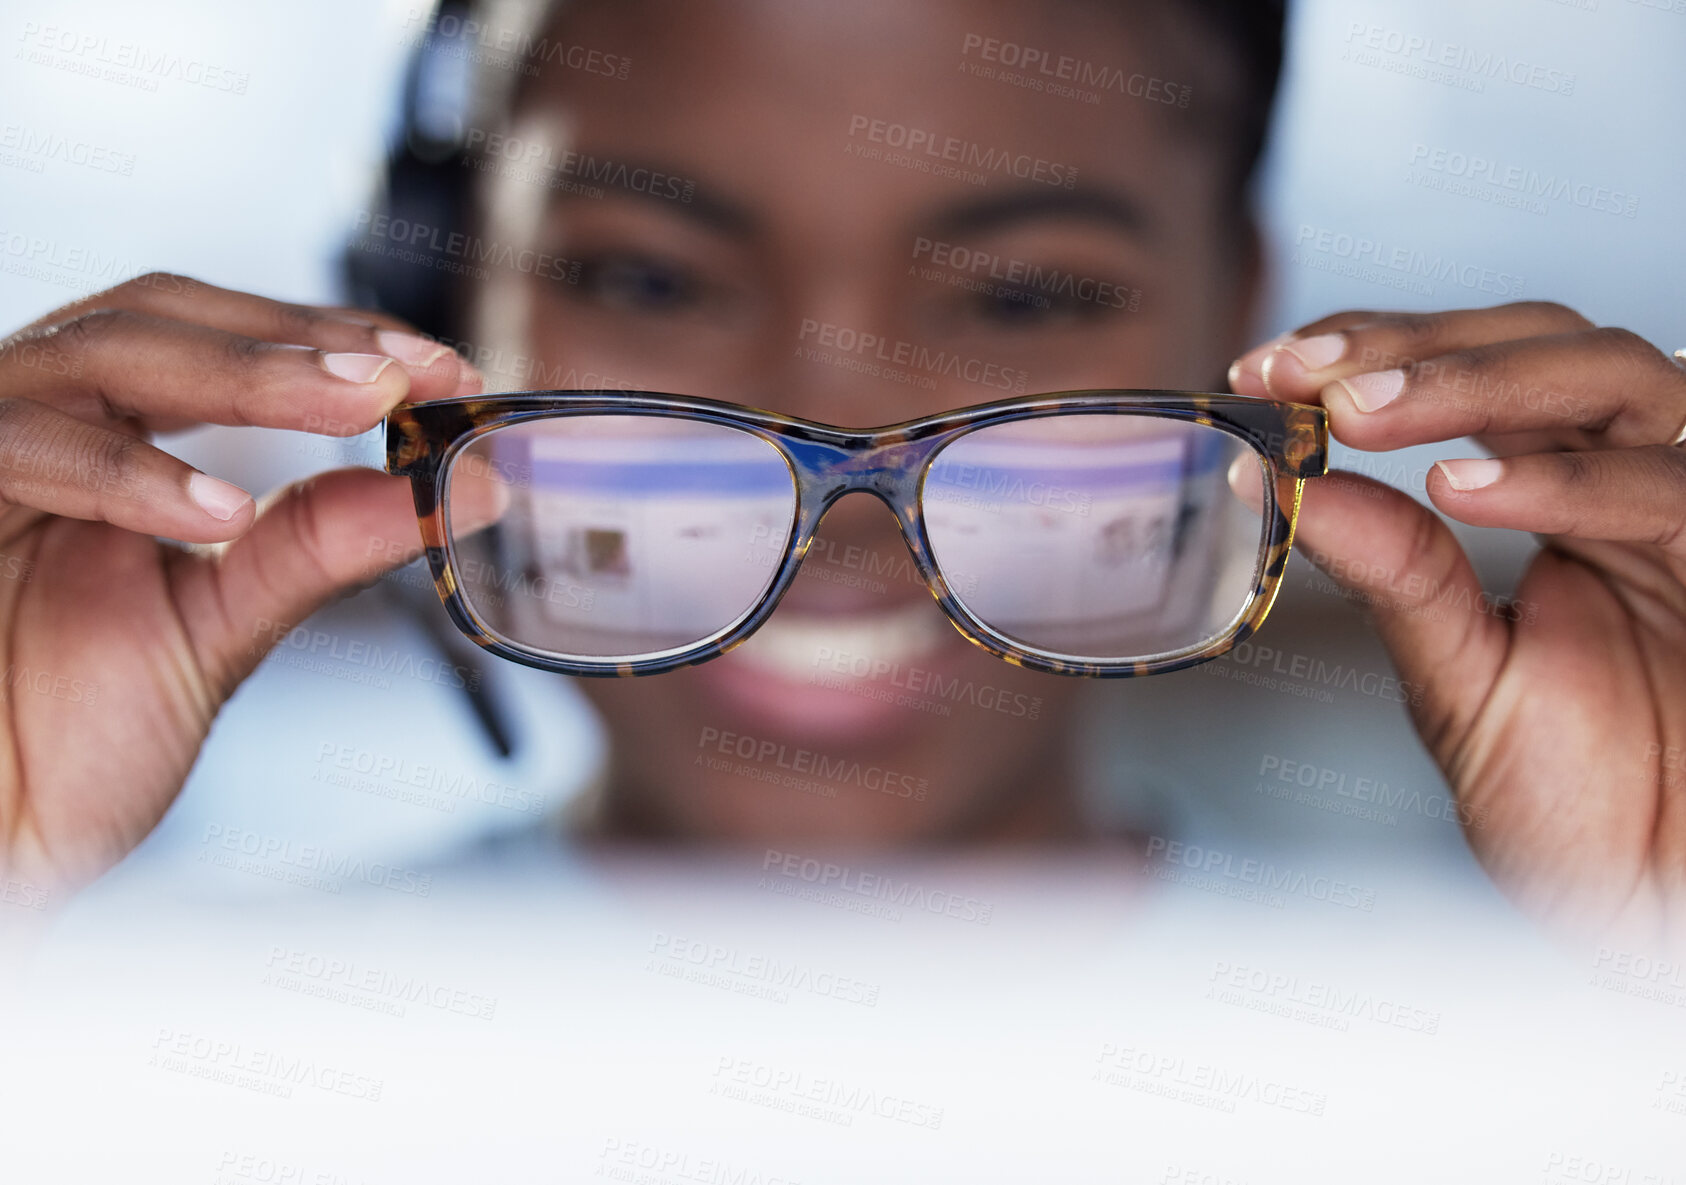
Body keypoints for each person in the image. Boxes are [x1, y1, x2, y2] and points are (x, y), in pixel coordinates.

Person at [1, 0, 1682, 951]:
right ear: (441, 318)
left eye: (1022, 298)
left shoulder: (1526, 1055)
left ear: (1239, 328)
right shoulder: (144, 1054)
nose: (838, 457)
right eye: (647, 277)